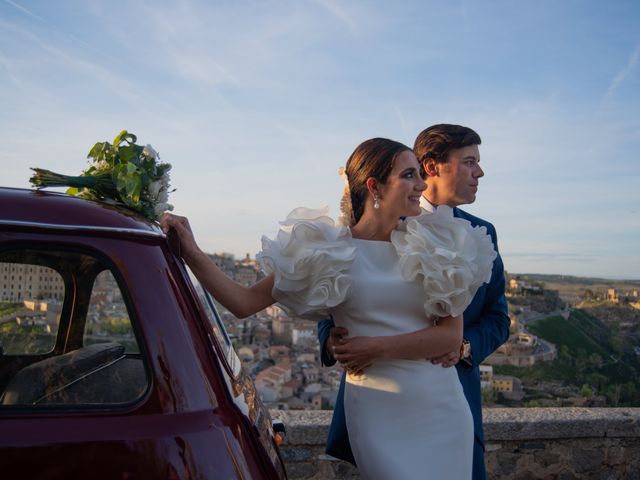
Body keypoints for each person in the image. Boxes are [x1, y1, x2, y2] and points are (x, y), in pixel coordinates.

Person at [161, 138, 496, 479]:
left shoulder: (437, 244)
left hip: (441, 405)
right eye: (409, 175)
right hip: (377, 410)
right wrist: (193, 253)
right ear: (374, 186)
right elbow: (244, 303)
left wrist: (376, 347)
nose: (422, 185)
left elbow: (450, 338)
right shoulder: (327, 251)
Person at [318, 125, 510, 480]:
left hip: (449, 399)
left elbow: (498, 317)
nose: (479, 173)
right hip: (379, 400)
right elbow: (334, 291)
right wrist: (331, 338)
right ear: (432, 166)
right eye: (469, 162)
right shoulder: (379, 219)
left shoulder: (481, 233)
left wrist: (464, 346)